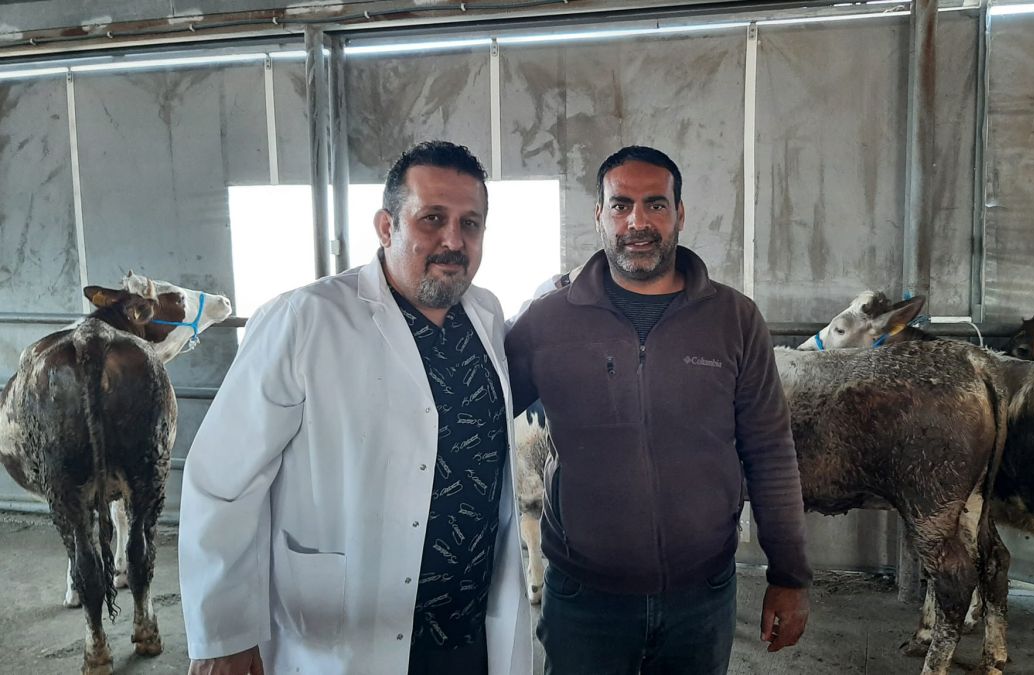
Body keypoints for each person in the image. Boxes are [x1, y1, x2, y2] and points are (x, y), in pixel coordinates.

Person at [178, 141, 531, 675]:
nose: (453, 240)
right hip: (342, 636)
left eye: (471, 224)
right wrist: (222, 635)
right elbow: (223, 482)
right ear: (387, 227)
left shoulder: (486, 314)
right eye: (432, 218)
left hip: (469, 630)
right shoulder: (304, 318)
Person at [505, 145, 812, 674]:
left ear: (680, 214)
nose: (638, 221)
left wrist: (790, 575)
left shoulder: (734, 319)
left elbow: (770, 453)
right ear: (599, 215)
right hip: (583, 598)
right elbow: (476, 411)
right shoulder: (547, 322)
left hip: (702, 597)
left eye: (656, 204)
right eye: (621, 205)